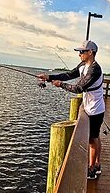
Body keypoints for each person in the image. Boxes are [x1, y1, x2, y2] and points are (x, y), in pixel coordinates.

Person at [37, 40, 105, 180]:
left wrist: (60, 85)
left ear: (90, 52)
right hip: (89, 107)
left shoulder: (94, 69)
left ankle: (92, 169)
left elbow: (78, 88)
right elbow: (69, 75)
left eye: (82, 52)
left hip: (96, 110)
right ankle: (97, 164)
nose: (79, 54)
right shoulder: (83, 65)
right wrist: (49, 77)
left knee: (92, 139)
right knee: (95, 136)